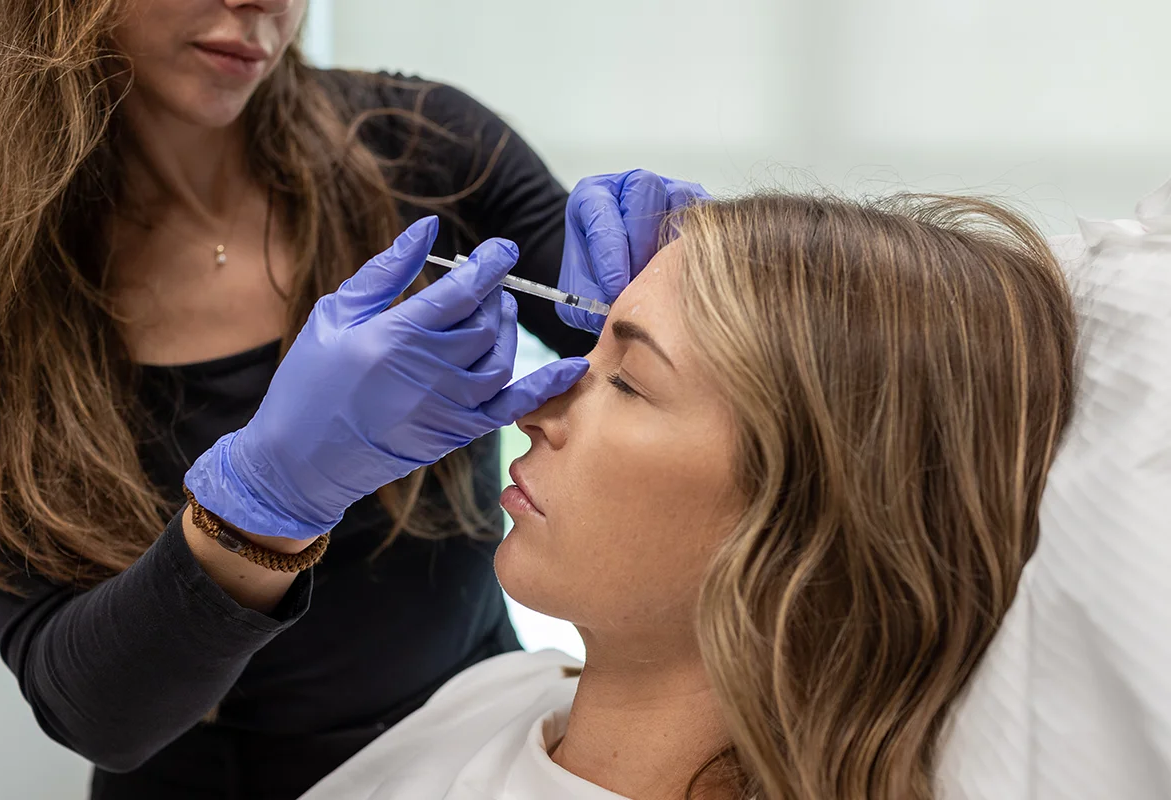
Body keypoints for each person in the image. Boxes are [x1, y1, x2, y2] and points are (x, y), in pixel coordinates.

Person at [0, 1, 704, 798]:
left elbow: (655, 348)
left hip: (480, 740)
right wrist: (264, 502)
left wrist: (697, 275)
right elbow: (92, 712)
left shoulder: (424, 145)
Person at [299, 192, 1079, 800]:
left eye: (630, 382)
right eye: (589, 350)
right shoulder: (497, 693)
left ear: (816, 508)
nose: (531, 410)